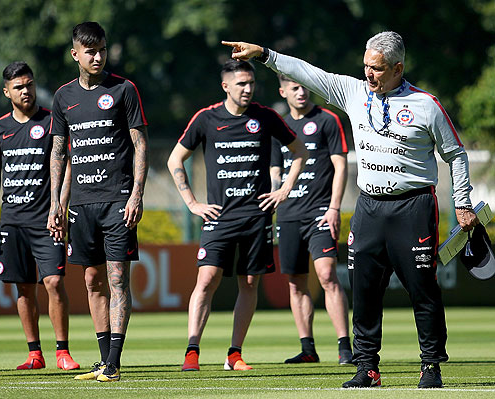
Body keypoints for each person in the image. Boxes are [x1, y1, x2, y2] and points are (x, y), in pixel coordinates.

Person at [224, 31, 479, 389]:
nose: (368, 74)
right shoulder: (355, 91)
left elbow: (456, 154)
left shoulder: (427, 105)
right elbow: (309, 74)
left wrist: (463, 202)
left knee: (423, 289)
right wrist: (265, 55)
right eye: (365, 66)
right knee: (364, 291)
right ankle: (367, 368)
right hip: (369, 207)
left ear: (397, 68)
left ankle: (431, 366)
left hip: (414, 206)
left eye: (375, 69)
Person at [167, 60, 308, 372]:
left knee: (249, 282)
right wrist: (192, 203)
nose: (247, 89)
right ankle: (192, 351)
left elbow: (300, 152)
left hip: (256, 217)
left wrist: (284, 190)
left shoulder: (266, 117)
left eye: (251, 83)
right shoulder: (206, 118)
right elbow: (175, 159)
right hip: (219, 216)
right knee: (206, 279)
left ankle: (234, 353)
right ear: (226, 86)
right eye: (241, 83)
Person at [47, 21, 149, 383]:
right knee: (92, 280)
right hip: (81, 205)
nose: (97, 56)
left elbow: (140, 145)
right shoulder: (63, 97)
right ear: (75, 54)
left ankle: (115, 361)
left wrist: (137, 193)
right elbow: (59, 153)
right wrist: (56, 203)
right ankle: (104, 359)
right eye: (90, 51)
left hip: (118, 201)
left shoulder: (124, 90)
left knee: (117, 277)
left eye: (102, 49)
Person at [0, 61, 79, 371]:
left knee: (53, 281)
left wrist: (59, 207)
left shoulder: (53, 123)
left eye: (30, 84)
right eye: (19, 87)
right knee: (23, 287)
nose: (26, 91)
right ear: (6, 91)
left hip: (46, 220)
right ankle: (34, 353)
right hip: (12, 220)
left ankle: (62, 351)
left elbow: (67, 166)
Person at [270, 73, 353, 365]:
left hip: (320, 212)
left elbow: (340, 166)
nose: (301, 92)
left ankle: (345, 347)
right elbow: (275, 169)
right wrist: (274, 196)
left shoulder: (327, 120)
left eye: (304, 86)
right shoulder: (278, 126)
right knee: (295, 282)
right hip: (289, 214)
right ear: (283, 92)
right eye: (294, 88)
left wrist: (334, 207)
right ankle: (308, 349)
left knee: (328, 275)